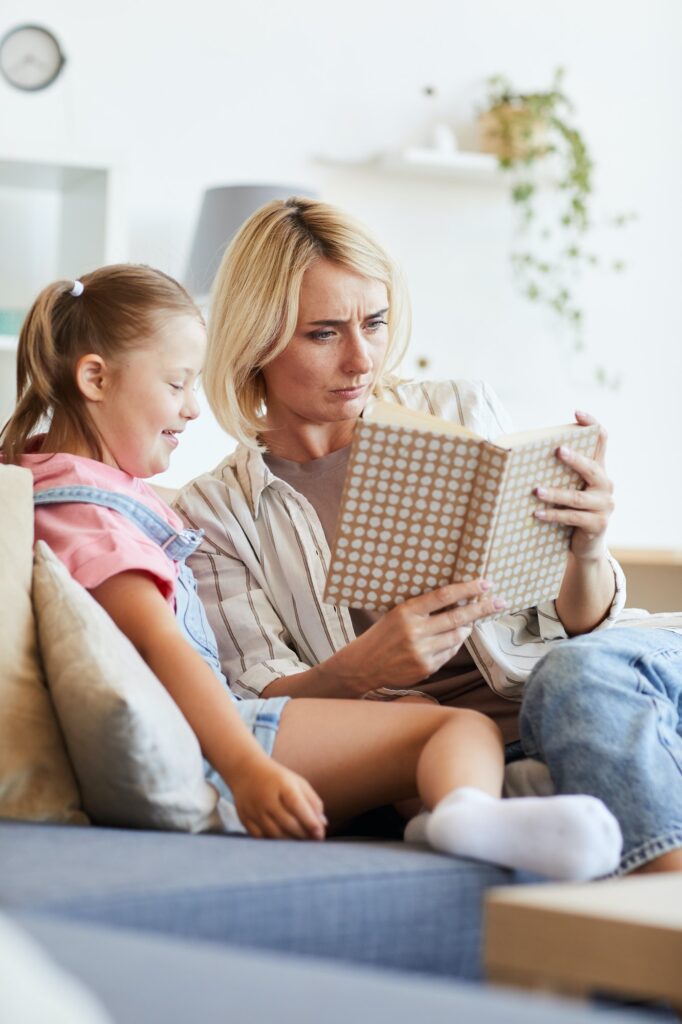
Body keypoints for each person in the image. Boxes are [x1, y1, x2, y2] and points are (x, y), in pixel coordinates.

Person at [0, 263, 623, 881]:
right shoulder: (99, 512)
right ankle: (471, 815)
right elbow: (165, 649)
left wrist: (582, 549)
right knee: (453, 729)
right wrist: (248, 770)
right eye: (176, 384)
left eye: (374, 324)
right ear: (95, 379)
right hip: (222, 737)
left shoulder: (80, 487)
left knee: (507, 708)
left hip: (240, 727)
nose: (192, 410)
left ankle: (470, 812)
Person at [175, 196, 682, 875]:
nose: (361, 359)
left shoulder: (456, 410)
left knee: (576, 677)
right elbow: (254, 704)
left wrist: (586, 550)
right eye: (323, 333)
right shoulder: (217, 511)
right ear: (256, 339)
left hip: (593, 672)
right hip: (482, 744)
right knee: (538, 766)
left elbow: (581, 625)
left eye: (375, 323)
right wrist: (359, 671)